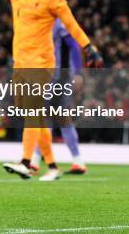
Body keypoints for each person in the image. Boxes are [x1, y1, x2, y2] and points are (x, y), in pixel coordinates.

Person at [0, 0, 102, 181]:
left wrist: (89, 47)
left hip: (42, 63)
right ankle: (51, 166)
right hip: (20, 64)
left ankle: (27, 161)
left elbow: (71, 24)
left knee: (32, 112)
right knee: (35, 117)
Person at [30, 19, 87, 175]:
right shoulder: (43, 22)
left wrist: (77, 73)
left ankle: (34, 161)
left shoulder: (56, 22)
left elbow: (73, 45)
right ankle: (78, 161)